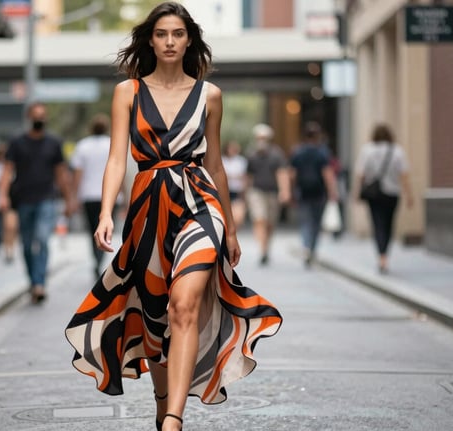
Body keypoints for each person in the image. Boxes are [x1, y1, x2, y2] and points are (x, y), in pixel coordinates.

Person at [64, 4, 282, 431]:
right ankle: (163, 402)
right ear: (150, 40)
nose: (169, 42)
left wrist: (230, 229)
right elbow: (116, 159)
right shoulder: (127, 92)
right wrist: (106, 212)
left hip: (200, 205)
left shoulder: (210, 95)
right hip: (148, 210)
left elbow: (215, 165)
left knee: (185, 304)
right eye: (161, 34)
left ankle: (173, 422)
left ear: (188, 40)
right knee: (156, 316)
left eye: (177, 34)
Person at [0, 102, 76, 304]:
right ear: (29, 117)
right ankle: (33, 281)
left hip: (46, 199)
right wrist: (3, 195)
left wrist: (69, 200)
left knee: (41, 239)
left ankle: (40, 283)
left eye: (42, 115)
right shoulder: (17, 142)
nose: (39, 119)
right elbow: (7, 170)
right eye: (36, 115)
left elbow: (61, 174)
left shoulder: (54, 143)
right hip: (23, 199)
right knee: (26, 244)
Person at [353, 124, 413, 274]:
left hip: (374, 194)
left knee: (377, 224)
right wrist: (409, 195)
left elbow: (361, 174)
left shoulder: (367, 150)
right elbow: (404, 175)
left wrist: (357, 193)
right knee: (389, 224)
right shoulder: (397, 151)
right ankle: (385, 254)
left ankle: (381, 257)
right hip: (392, 193)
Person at [289, 121, 339, 268]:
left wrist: (291, 191)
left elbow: (292, 174)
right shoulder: (322, 153)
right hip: (319, 192)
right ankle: (312, 248)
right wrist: (332, 192)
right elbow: (327, 174)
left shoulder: (298, 152)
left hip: (303, 191)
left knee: (305, 221)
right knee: (316, 222)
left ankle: (306, 246)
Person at [70, 114, 111, 276]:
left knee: (92, 229)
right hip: (109, 195)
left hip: (88, 195)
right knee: (106, 228)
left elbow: (78, 174)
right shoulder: (111, 144)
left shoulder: (82, 146)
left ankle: (96, 258)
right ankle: (100, 259)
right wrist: (123, 194)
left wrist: (74, 195)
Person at [245, 123, 291, 265]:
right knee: (260, 219)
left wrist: (285, 191)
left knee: (270, 222)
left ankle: (266, 246)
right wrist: (245, 193)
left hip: (272, 192)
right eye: (259, 137)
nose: (261, 140)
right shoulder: (251, 154)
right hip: (256, 192)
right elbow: (248, 176)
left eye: (264, 137)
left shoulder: (276, 154)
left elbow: (282, 173)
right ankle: (263, 250)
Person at [221, 140, 248, 231]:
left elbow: (244, 177)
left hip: (237, 191)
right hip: (225, 191)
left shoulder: (241, 161)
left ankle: (234, 232)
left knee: (238, 217)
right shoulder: (222, 160)